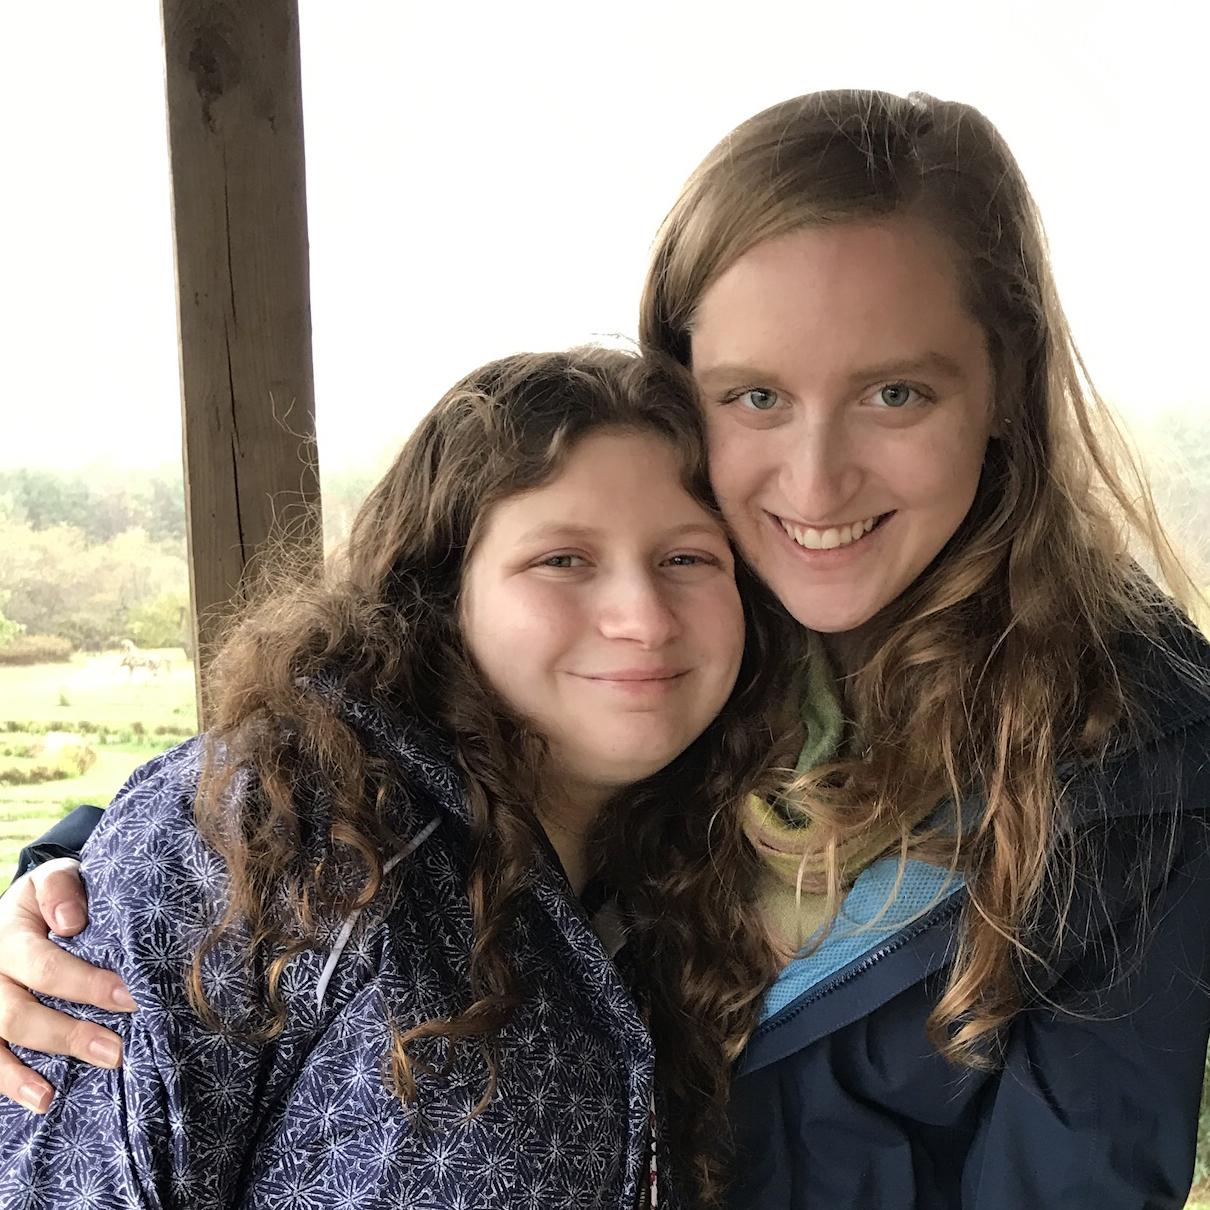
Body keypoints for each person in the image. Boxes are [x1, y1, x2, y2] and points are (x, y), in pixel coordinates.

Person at [4, 88, 1210, 1207]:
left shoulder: (1131, 761)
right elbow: (316, 783)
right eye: (754, 396)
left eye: (896, 393)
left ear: (1006, 386)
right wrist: (70, 890)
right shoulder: (685, 635)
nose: (814, 480)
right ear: (681, 392)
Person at [0, 347, 795, 1209]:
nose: (644, 617)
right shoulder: (270, 829)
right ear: (438, 592)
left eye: (688, 559)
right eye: (563, 559)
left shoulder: (712, 862)